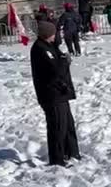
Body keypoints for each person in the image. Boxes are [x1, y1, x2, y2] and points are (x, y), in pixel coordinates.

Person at [30, 22, 80, 167]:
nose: (55, 35)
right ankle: (57, 159)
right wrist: (64, 62)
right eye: (53, 33)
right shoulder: (40, 49)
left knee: (67, 125)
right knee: (57, 127)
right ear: (47, 34)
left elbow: (58, 58)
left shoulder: (51, 46)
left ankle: (71, 152)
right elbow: (54, 70)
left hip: (61, 93)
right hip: (51, 94)